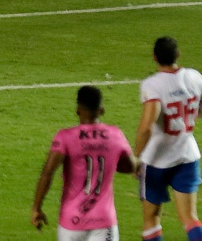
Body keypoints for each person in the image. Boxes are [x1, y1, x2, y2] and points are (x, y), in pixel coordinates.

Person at [31, 85, 137, 241]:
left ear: (78, 110)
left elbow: (48, 172)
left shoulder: (65, 137)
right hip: (104, 221)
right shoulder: (115, 134)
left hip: (71, 222)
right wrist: (109, 161)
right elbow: (131, 166)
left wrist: (37, 208)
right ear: (102, 110)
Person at [134, 36, 202, 241]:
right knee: (190, 217)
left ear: (154, 57)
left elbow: (146, 127)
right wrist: (185, 118)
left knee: (151, 219)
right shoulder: (195, 77)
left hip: (156, 160)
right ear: (177, 54)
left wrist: (136, 157)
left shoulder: (152, 85)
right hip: (187, 155)